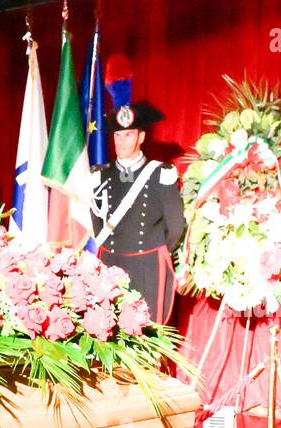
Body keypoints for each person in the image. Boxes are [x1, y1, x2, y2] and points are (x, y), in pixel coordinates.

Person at [89, 56, 185, 324]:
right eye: (118, 135)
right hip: (111, 262)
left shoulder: (160, 173)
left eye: (128, 134)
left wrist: (154, 251)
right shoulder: (100, 174)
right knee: (109, 331)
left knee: (147, 333)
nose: (121, 141)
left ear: (141, 137)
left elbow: (175, 225)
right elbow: (96, 220)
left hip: (148, 265)